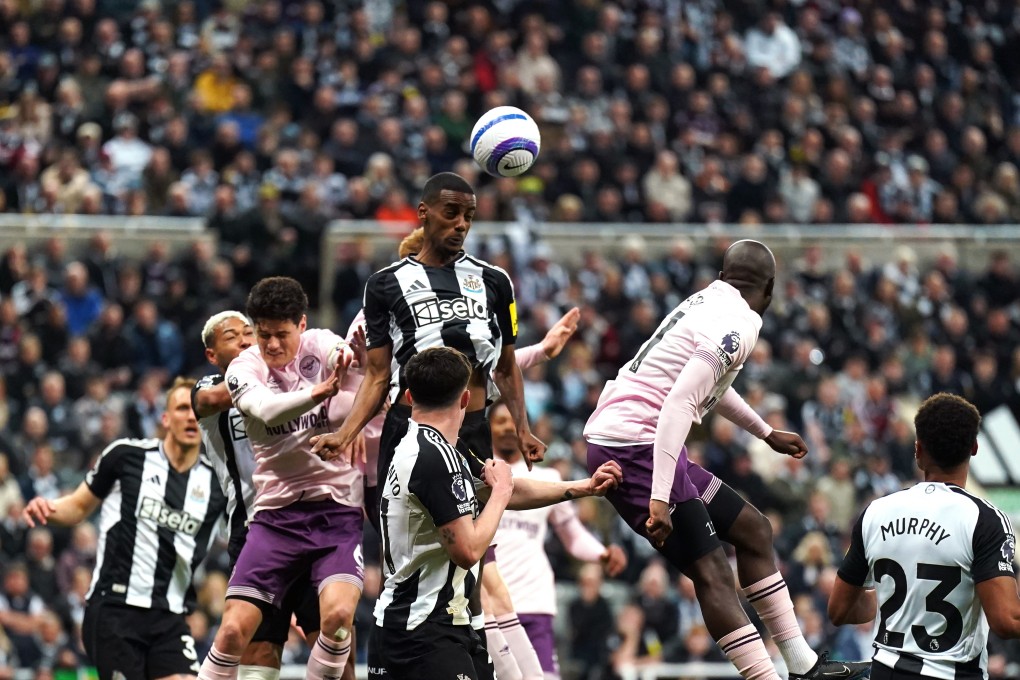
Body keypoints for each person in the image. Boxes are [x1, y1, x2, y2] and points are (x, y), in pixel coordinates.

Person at [584, 239, 870, 680]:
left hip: (643, 438)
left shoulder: (707, 301)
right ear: (769, 289)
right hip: (635, 446)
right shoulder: (739, 323)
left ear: (724, 275)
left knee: (754, 530)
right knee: (712, 570)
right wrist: (659, 497)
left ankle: (802, 665)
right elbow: (681, 402)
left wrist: (765, 431)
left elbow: (707, 384)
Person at [311, 172, 547, 660]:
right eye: (450, 213)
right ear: (423, 212)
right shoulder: (384, 285)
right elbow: (377, 376)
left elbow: (504, 365)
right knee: (410, 558)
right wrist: (345, 433)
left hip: (474, 433)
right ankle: (398, 658)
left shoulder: (495, 282)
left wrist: (522, 430)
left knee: (475, 564)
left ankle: (473, 657)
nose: (461, 224)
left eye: (469, 216)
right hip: (409, 433)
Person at [368, 347, 622, 680]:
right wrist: (500, 492)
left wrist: (586, 486)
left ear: (410, 395)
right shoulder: (436, 460)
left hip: (420, 625)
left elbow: (509, 487)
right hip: (424, 633)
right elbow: (468, 549)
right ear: (465, 399)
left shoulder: (420, 447)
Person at [197, 277, 364, 680]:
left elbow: (347, 356)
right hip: (267, 517)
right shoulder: (235, 374)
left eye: (276, 334)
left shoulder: (320, 344)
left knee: (338, 621)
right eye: (262, 335)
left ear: (301, 326)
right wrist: (320, 394)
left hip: (334, 510)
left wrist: (349, 365)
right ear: (211, 353)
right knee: (241, 634)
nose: (267, 344)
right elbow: (265, 410)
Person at [23, 377, 227, 680]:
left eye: (198, 410)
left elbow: (248, 540)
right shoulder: (126, 456)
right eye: (183, 408)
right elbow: (78, 507)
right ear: (166, 418)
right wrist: (48, 509)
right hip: (115, 609)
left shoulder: (218, 485)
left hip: (170, 616)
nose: (191, 416)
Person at [829, 393, 1020, 679]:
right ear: (975, 448)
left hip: (885, 671)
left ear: (918, 451)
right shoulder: (985, 520)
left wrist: (880, 602)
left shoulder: (877, 511)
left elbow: (839, 610)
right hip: (952, 674)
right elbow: (1006, 621)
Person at [489, 398, 628, 680]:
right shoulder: (479, 475)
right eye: (499, 421)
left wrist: (601, 553)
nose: (506, 428)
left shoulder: (548, 479)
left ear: (523, 428)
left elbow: (572, 534)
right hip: (490, 602)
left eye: (512, 422)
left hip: (533, 599)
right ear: (487, 426)